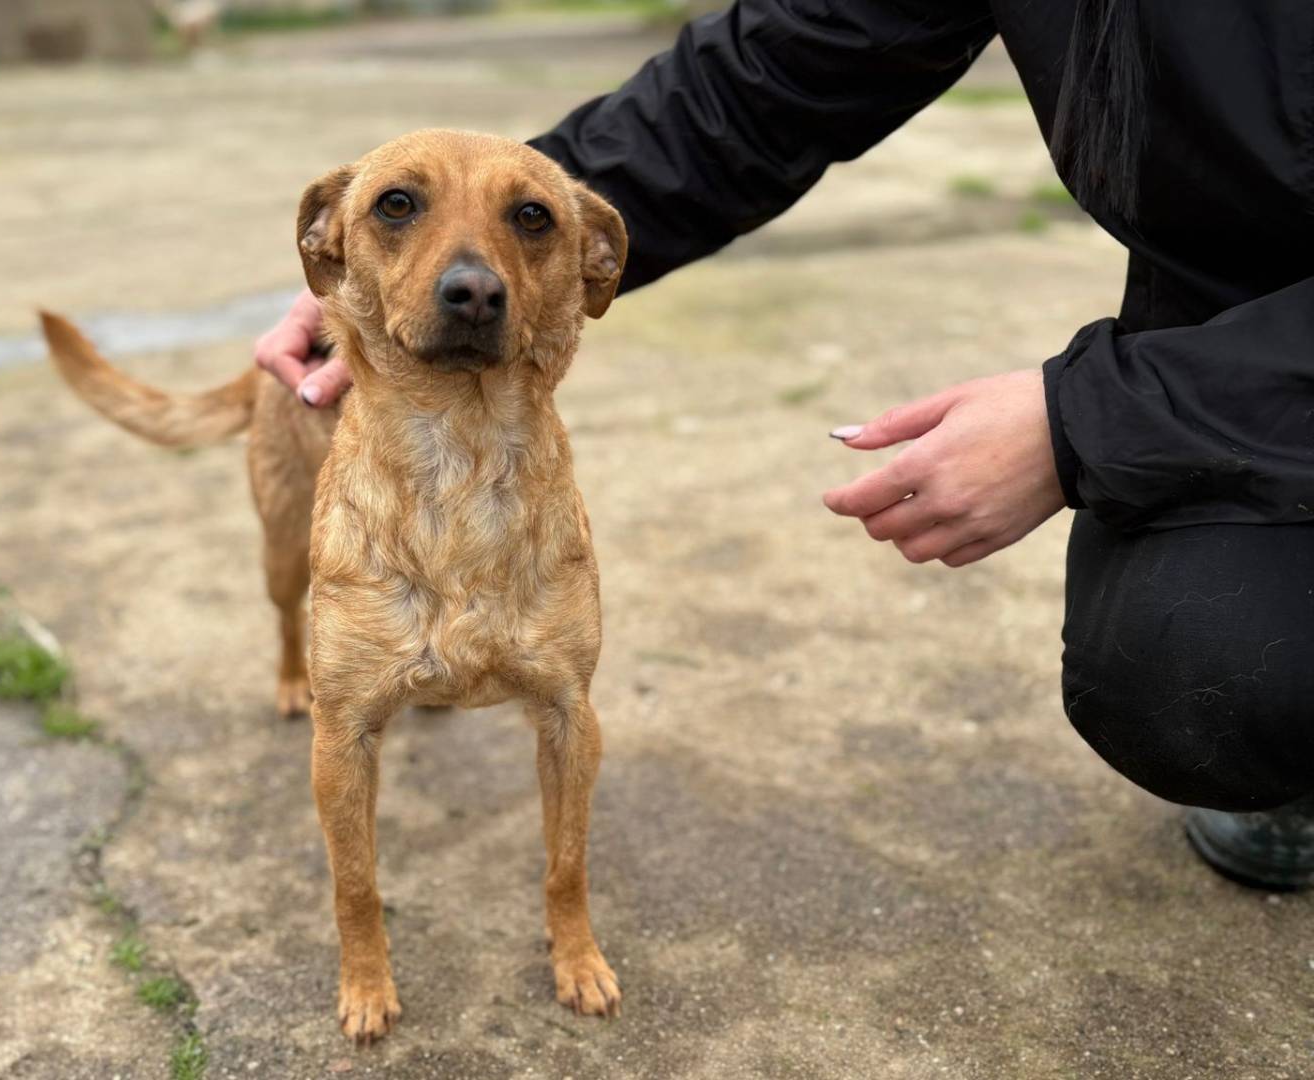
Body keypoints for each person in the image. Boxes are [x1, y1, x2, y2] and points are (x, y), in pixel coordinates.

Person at [255, 0, 1314, 889]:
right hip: (1215, 314)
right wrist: (514, 214)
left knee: (1225, 674)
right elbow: (759, 79)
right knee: (1186, 671)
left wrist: (1084, 419)